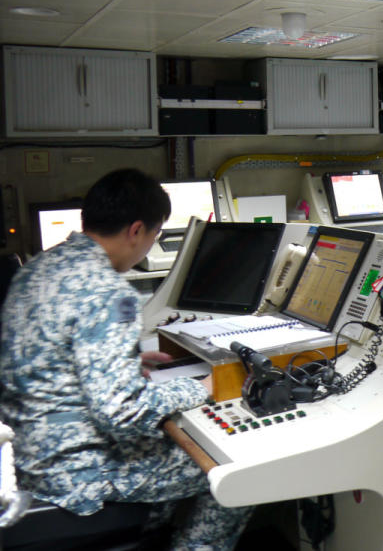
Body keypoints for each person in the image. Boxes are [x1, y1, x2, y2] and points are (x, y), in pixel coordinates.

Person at [0, 169, 252, 550]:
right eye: (155, 235)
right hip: (78, 474)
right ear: (137, 230)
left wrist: (125, 363)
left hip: (32, 455)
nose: (150, 246)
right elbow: (121, 414)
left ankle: (154, 528)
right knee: (239, 471)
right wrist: (198, 387)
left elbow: (46, 362)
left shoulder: (37, 269)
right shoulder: (107, 292)